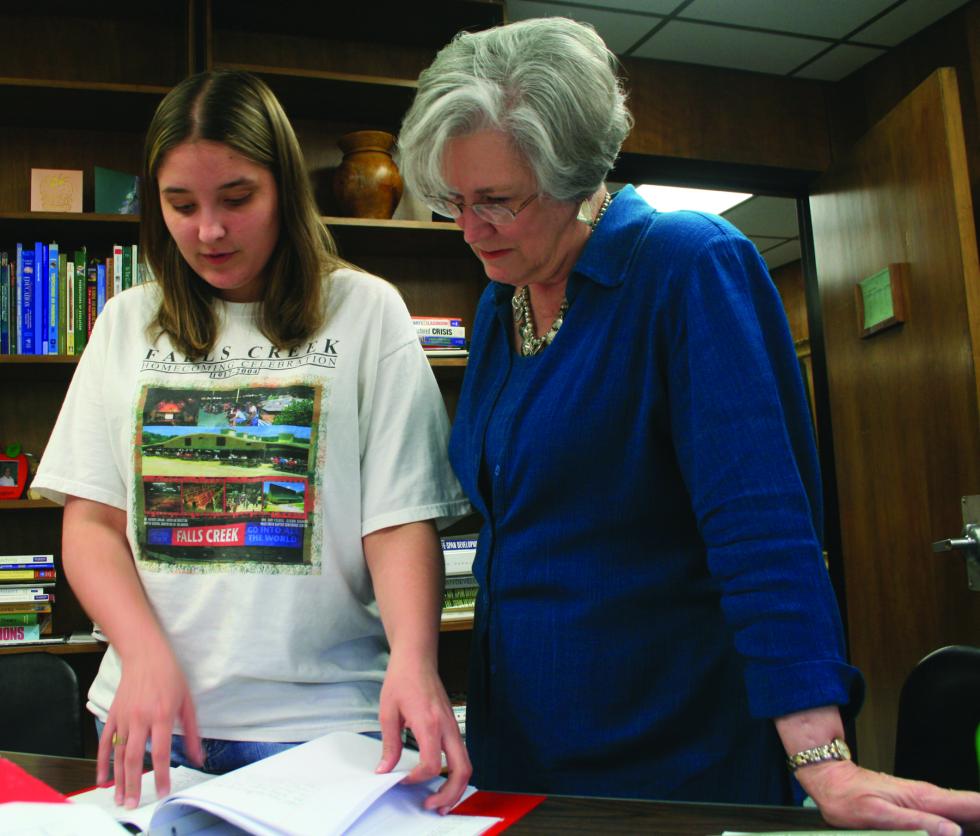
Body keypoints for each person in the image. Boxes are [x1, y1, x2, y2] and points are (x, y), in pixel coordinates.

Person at [397, 16, 980, 835]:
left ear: (576, 174)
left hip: (670, 758)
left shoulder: (685, 266)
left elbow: (763, 529)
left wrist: (822, 760)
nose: (467, 229)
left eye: (496, 201)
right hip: (523, 748)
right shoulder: (503, 304)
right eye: (451, 201)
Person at [32, 69, 470, 814]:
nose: (209, 230)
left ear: (286, 191)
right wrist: (140, 655)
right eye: (181, 205)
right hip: (151, 720)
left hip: (327, 725)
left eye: (238, 200)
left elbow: (397, 520)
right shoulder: (124, 323)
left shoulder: (367, 312)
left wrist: (416, 662)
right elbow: (93, 521)